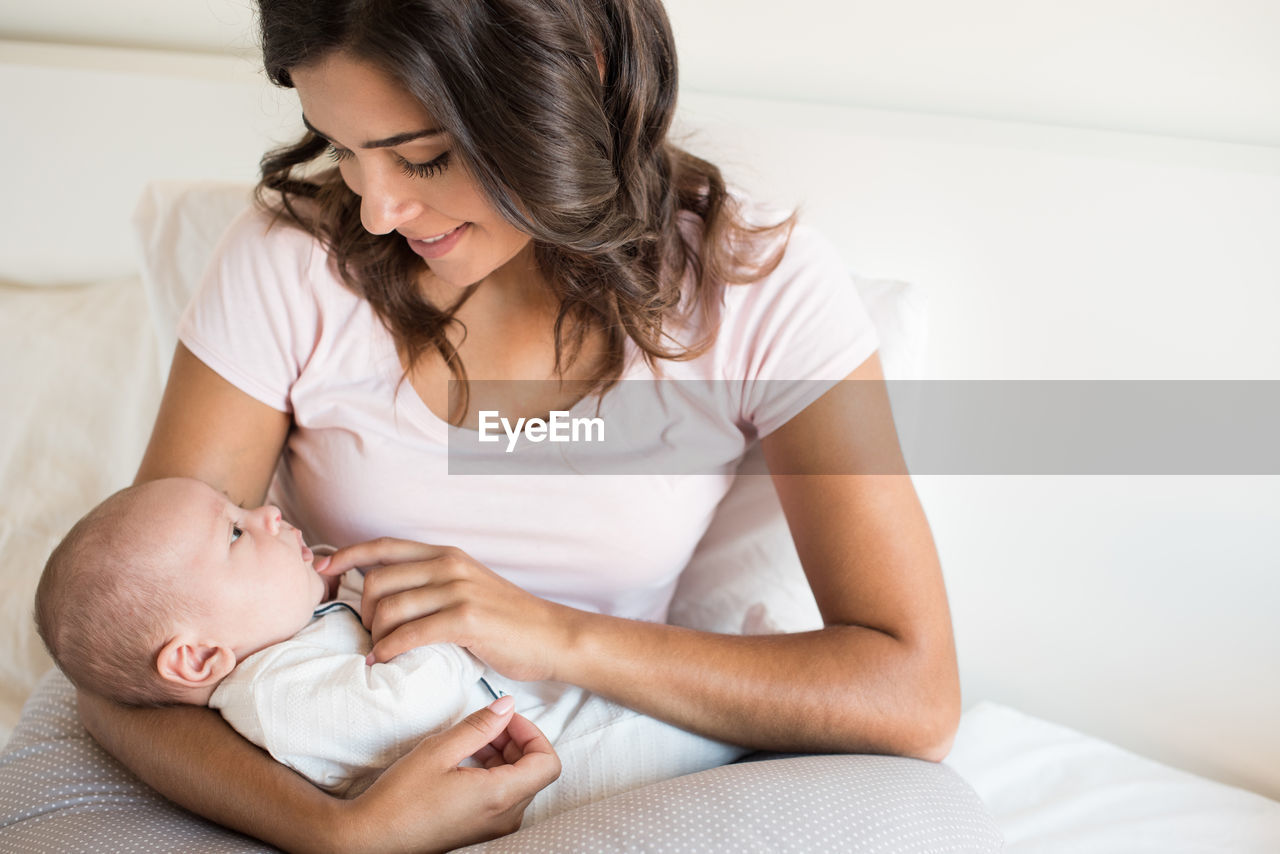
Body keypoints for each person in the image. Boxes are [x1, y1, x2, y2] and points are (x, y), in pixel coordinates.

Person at [76, 0, 961, 850]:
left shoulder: (753, 287)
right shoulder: (291, 264)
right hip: (337, 777)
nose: (377, 209)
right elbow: (127, 660)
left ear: (571, 83)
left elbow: (913, 693)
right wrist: (340, 833)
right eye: (343, 148)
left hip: (607, 764)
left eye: (420, 158)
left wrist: (549, 633)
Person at [36, 477, 744, 821]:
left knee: (708, 701)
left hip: (547, 715)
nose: (269, 512)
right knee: (695, 728)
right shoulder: (276, 696)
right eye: (235, 534)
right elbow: (415, 702)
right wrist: (391, 613)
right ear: (196, 659)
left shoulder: (291, 643)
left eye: (240, 507)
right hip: (571, 760)